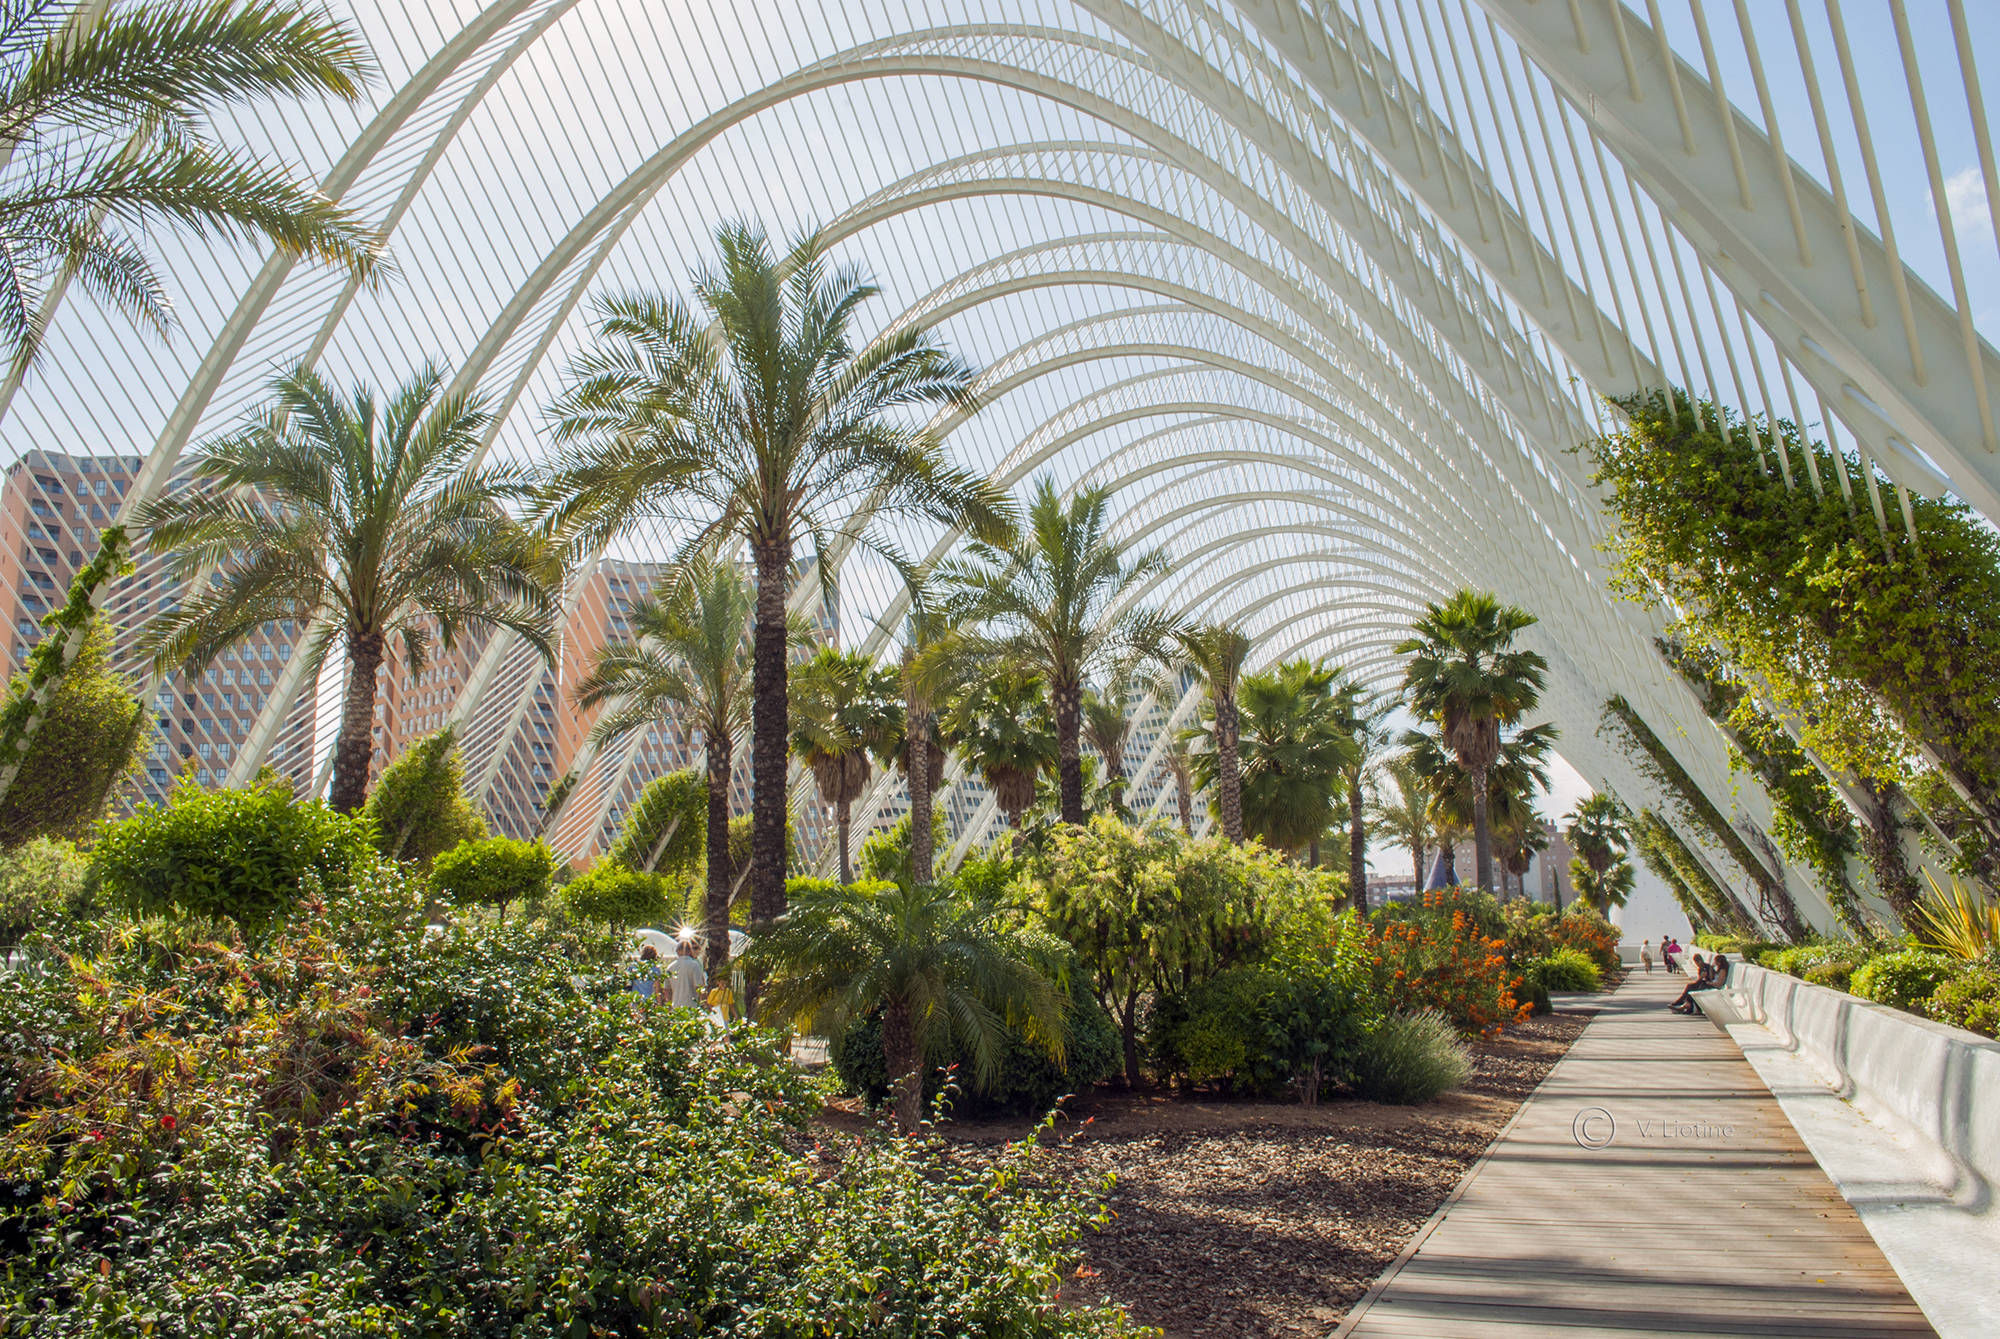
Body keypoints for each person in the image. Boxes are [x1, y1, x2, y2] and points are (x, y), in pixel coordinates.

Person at [669, 938, 709, 1009]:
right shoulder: (694, 965)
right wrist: (705, 1004)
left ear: (677, 951)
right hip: (691, 1006)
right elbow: (698, 987)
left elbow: (667, 990)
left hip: (675, 1007)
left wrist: (668, 1007)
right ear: (689, 951)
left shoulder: (670, 967)